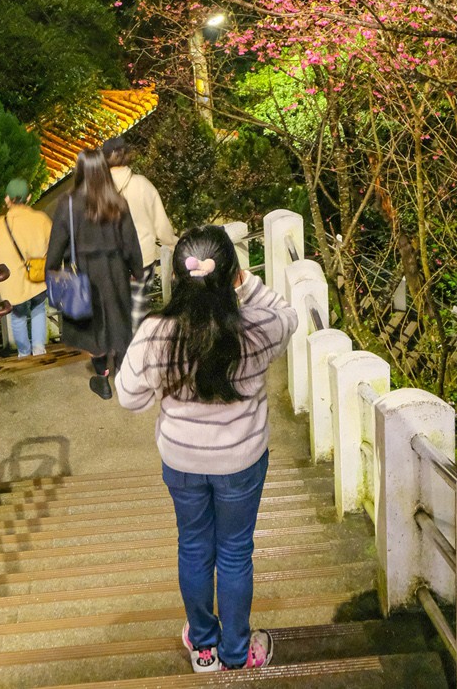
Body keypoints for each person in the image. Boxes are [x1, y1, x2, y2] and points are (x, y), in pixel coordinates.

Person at [116, 225, 298, 673]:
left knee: (194, 548)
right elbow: (289, 313)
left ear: (178, 279)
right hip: (241, 461)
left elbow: (129, 397)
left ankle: (203, 648)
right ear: (233, 276)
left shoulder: (157, 332)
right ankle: (237, 652)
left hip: (182, 461)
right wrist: (246, 284)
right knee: (235, 552)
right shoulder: (258, 328)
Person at [45, 147, 142, 400]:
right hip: (116, 269)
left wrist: (53, 268)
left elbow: (57, 243)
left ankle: (103, 380)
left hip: (85, 273)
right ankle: (124, 377)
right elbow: (130, 241)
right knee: (119, 322)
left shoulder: (67, 203)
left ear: (80, 171)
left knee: (94, 328)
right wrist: (136, 269)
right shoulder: (118, 201)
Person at [102, 136, 177, 330]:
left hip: (108, 260)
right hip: (142, 257)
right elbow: (161, 225)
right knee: (137, 308)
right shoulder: (142, 184)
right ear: (127, 155)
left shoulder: (97, 190)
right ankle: (136, 347)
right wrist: (173, 243)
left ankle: (118, 348)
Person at [0, 178, 52, 358]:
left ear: (7, 199)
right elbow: (53, 246)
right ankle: (39, 349)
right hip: (37, 277)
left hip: (11, 282)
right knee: (39, 309)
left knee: (18, 317)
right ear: (29, 197)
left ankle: (24, 353)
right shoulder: (42, 219)